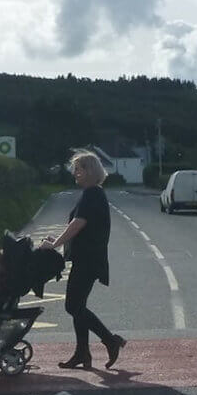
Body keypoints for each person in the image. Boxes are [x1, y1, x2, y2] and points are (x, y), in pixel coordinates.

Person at [44, 152, 126, 369]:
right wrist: (58, 240)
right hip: (88, 259)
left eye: (78, 169)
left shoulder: (92, 194)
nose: (75, 173)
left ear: (89, 171)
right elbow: (79, 226)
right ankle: (82, 353)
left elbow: (78, 223)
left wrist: (55, 244)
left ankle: (110, 341)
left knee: (73, 305)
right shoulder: (93, 193)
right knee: (78, 306)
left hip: (88, 260)